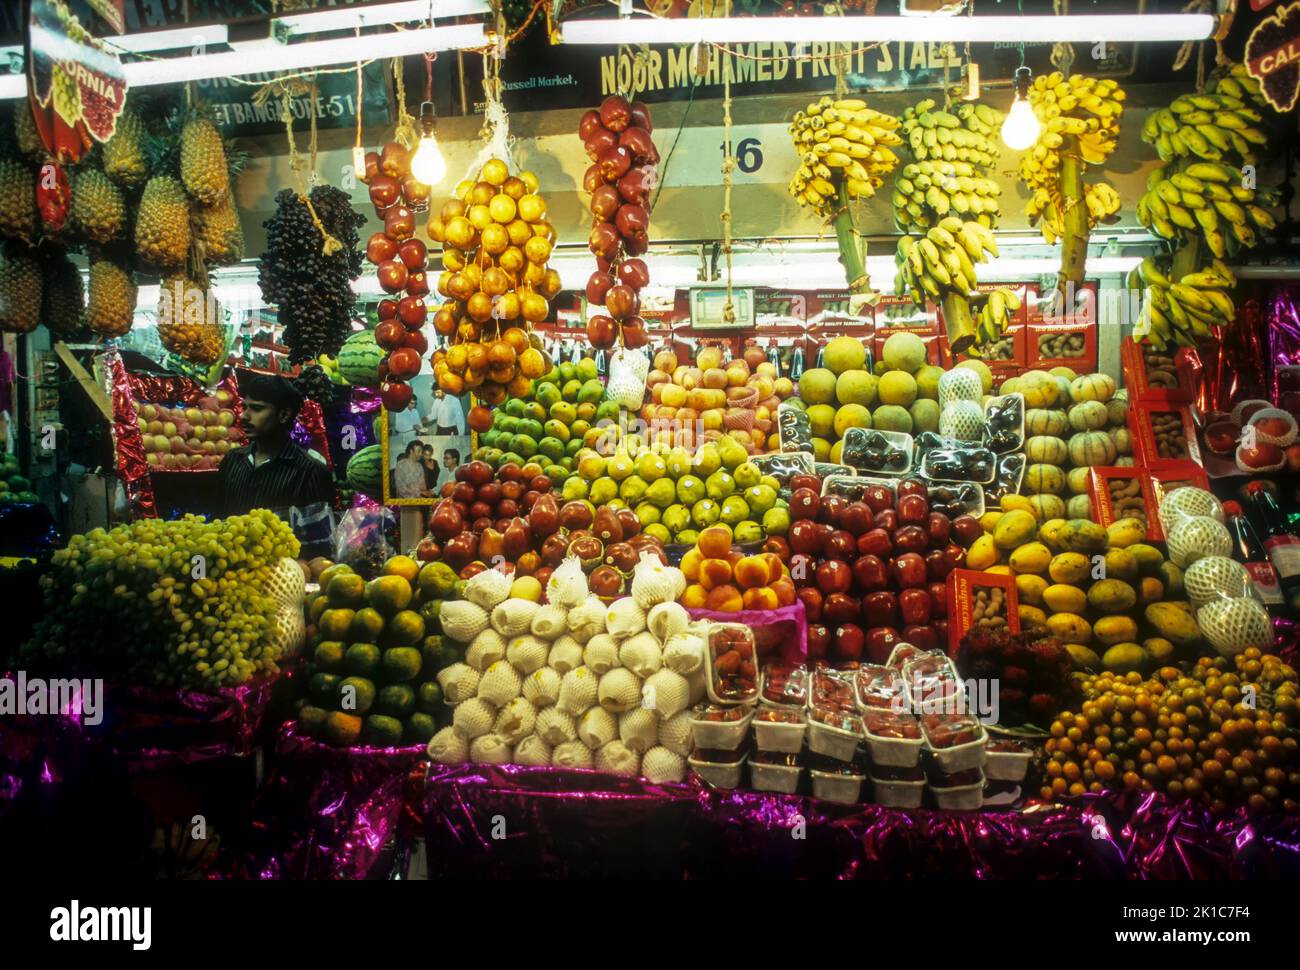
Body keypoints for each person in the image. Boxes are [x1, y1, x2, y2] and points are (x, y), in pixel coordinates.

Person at [217, 369, 335, 555]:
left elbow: (319, 544)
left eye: (256, 409)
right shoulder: (232, 460)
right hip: (230, 573)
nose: (244, 416)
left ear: (284, 415)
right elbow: (218, 522)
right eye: (245, 407)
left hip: (281, 575)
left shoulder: (310, 471)